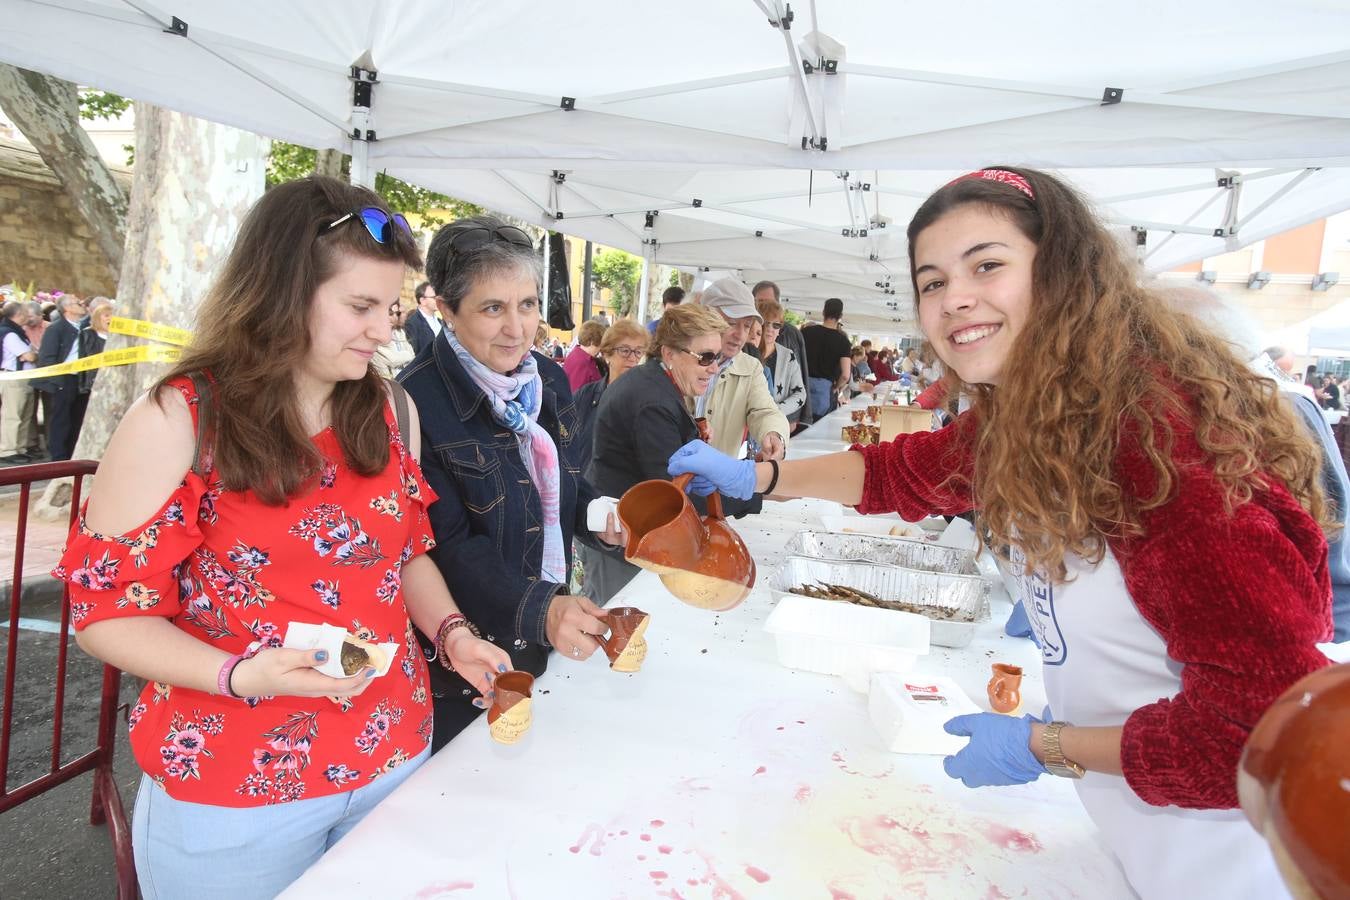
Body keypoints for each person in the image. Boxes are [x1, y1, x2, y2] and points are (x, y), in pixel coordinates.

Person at [668, 166, 1333, 900]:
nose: (954, 297)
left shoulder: (1163, 444)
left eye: (987, 265)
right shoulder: (1049, 408)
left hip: (1232, 862)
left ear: (1061, 274)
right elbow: (907, 472)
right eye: (931, 281)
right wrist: (762, 480)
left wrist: (1048, 746)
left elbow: (1255, 735)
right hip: (1133, 831)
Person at [52, 176, 510, 899]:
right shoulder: (180, 419)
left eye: (389, 309)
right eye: (359, 306)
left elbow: (405, 555)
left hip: (392, 755)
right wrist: (243, 675)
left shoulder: (391, 411)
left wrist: (452, 634)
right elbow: (106, 614)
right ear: (280, 292)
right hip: (234, 792)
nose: (383, 330)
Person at [396, 216, 624, 751]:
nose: (517, 328)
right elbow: (440, 545)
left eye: (526, 304)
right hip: (459, 668)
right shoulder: (414, 404)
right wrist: (541, 609)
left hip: (542, 638)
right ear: (447, 310)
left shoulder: (546, 377)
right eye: (492, 308)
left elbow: (563, 482)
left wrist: (603, 516)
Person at [586, 304, 729, 604]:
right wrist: (758, 489)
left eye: (718, 358)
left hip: (628, 532)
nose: (714, 367)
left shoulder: (655, 383)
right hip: (620, 540)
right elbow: (672, 496)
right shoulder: (652, 400)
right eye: (706, 357)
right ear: (669, 354)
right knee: (616, 629)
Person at [696, 278, 788, 466]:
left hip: (718, 479)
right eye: (731, 323)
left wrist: (773, 433)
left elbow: (764, 410)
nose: (740, 334)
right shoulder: (684, 360)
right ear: (705, 318)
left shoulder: (751, 367)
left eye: (747, 326)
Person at [572, 318, 648, 474]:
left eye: (638, 351)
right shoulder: (585, 395)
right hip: (583, 489)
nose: (633, 358)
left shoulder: (647, 402)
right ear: (607, 354)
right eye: (625, 350)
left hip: (624, 493)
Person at [34, 293, 89, 460]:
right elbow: (47, 357)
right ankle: (58, 456)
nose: (80, 304)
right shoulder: (56, 328)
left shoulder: (84, 327)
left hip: (80, 378)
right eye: (76, 303)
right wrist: (57, 381)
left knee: (77, 417)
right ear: (67, 308)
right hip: (63, 379)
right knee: (61, 419)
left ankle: (73, 453)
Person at [753, 281, 812, 430]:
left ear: (781, 328)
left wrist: (777, 412)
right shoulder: (745, 353)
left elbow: (800, 392)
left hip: (777, 423)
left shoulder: (788, 355)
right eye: (766, 323)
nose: (770, 329)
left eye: (776, 325)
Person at [0, 300, 39, 463]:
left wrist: (32, 353)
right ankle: (8, 450)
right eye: (25, 313)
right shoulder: (10, 334)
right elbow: (30, 355)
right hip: (14, 378)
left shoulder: (18, 332)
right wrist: (33, 353)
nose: (28, 315)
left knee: (25, 414)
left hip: (24, 378)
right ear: (18, 315)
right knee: (13, 415)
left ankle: (20, 447)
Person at [801, 297, 852, 418]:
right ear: (840, 316)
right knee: (819, 428)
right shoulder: (843, 341)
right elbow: (845, 375)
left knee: (798, 428)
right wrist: (836, 387)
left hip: (801, 384)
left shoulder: (806, 332)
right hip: (824, 389)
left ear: (823, 312)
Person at [76, 297, 113, 398]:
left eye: (112, 315)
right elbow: (83, 358)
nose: (110, 318)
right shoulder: (88, 334)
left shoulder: (118, 336)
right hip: (94, 383)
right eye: (106, 315)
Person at [371, 301, 416, 379]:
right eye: (391, 313)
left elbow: (413, 355)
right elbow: (392, 359)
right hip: (388, 381)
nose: (395, 317)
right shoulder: (374, 334)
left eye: (397, 313)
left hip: (406, 379)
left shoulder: (400, 332)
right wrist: (407, 355)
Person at [563, 319, 605, 393]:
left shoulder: (578, 355)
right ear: (592, 342)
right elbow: (577, 395)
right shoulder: (581, 362)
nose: (601, 348)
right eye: (600, 344)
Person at [404, 280, 442, 356]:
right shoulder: (412, 323)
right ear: (423, 301)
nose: (438, 300)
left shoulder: (440, 322)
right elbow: (414, 354)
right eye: (434, 297)